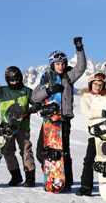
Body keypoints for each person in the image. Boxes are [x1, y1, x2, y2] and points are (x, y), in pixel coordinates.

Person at [32, 37, 87, 192]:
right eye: (57, 64)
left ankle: (66, 182)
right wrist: (48, 90)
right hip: (49, 120)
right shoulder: (46, 78)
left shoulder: (69, 76)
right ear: (52, 64)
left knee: (64, 151)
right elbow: (34, 97)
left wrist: (79, 48)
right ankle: (52, 177)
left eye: (63, 63)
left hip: (63, 119)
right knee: (40, 151)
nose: (61, 66)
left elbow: (81, 67)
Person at [0, 65, 39, 187]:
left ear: (20, 78)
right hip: (7, 128)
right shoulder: (3, 91)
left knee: (26, 150)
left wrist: (30, 111)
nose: (14, 82)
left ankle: (30, 178)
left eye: (16, 79)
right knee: (8, 152)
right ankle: (16, 176)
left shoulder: (26, 91)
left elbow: (37, 103)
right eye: (11, 80)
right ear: (7, 80)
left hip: (22, 127)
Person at [75, 63, 106, 197]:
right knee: (89, 159)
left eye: (100, 85)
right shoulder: (86, 98)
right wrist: (103, 113)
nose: (98, 87)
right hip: (95, 134)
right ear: (90, 84)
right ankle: (86, 186)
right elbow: (87, 113)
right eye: (96, 84)